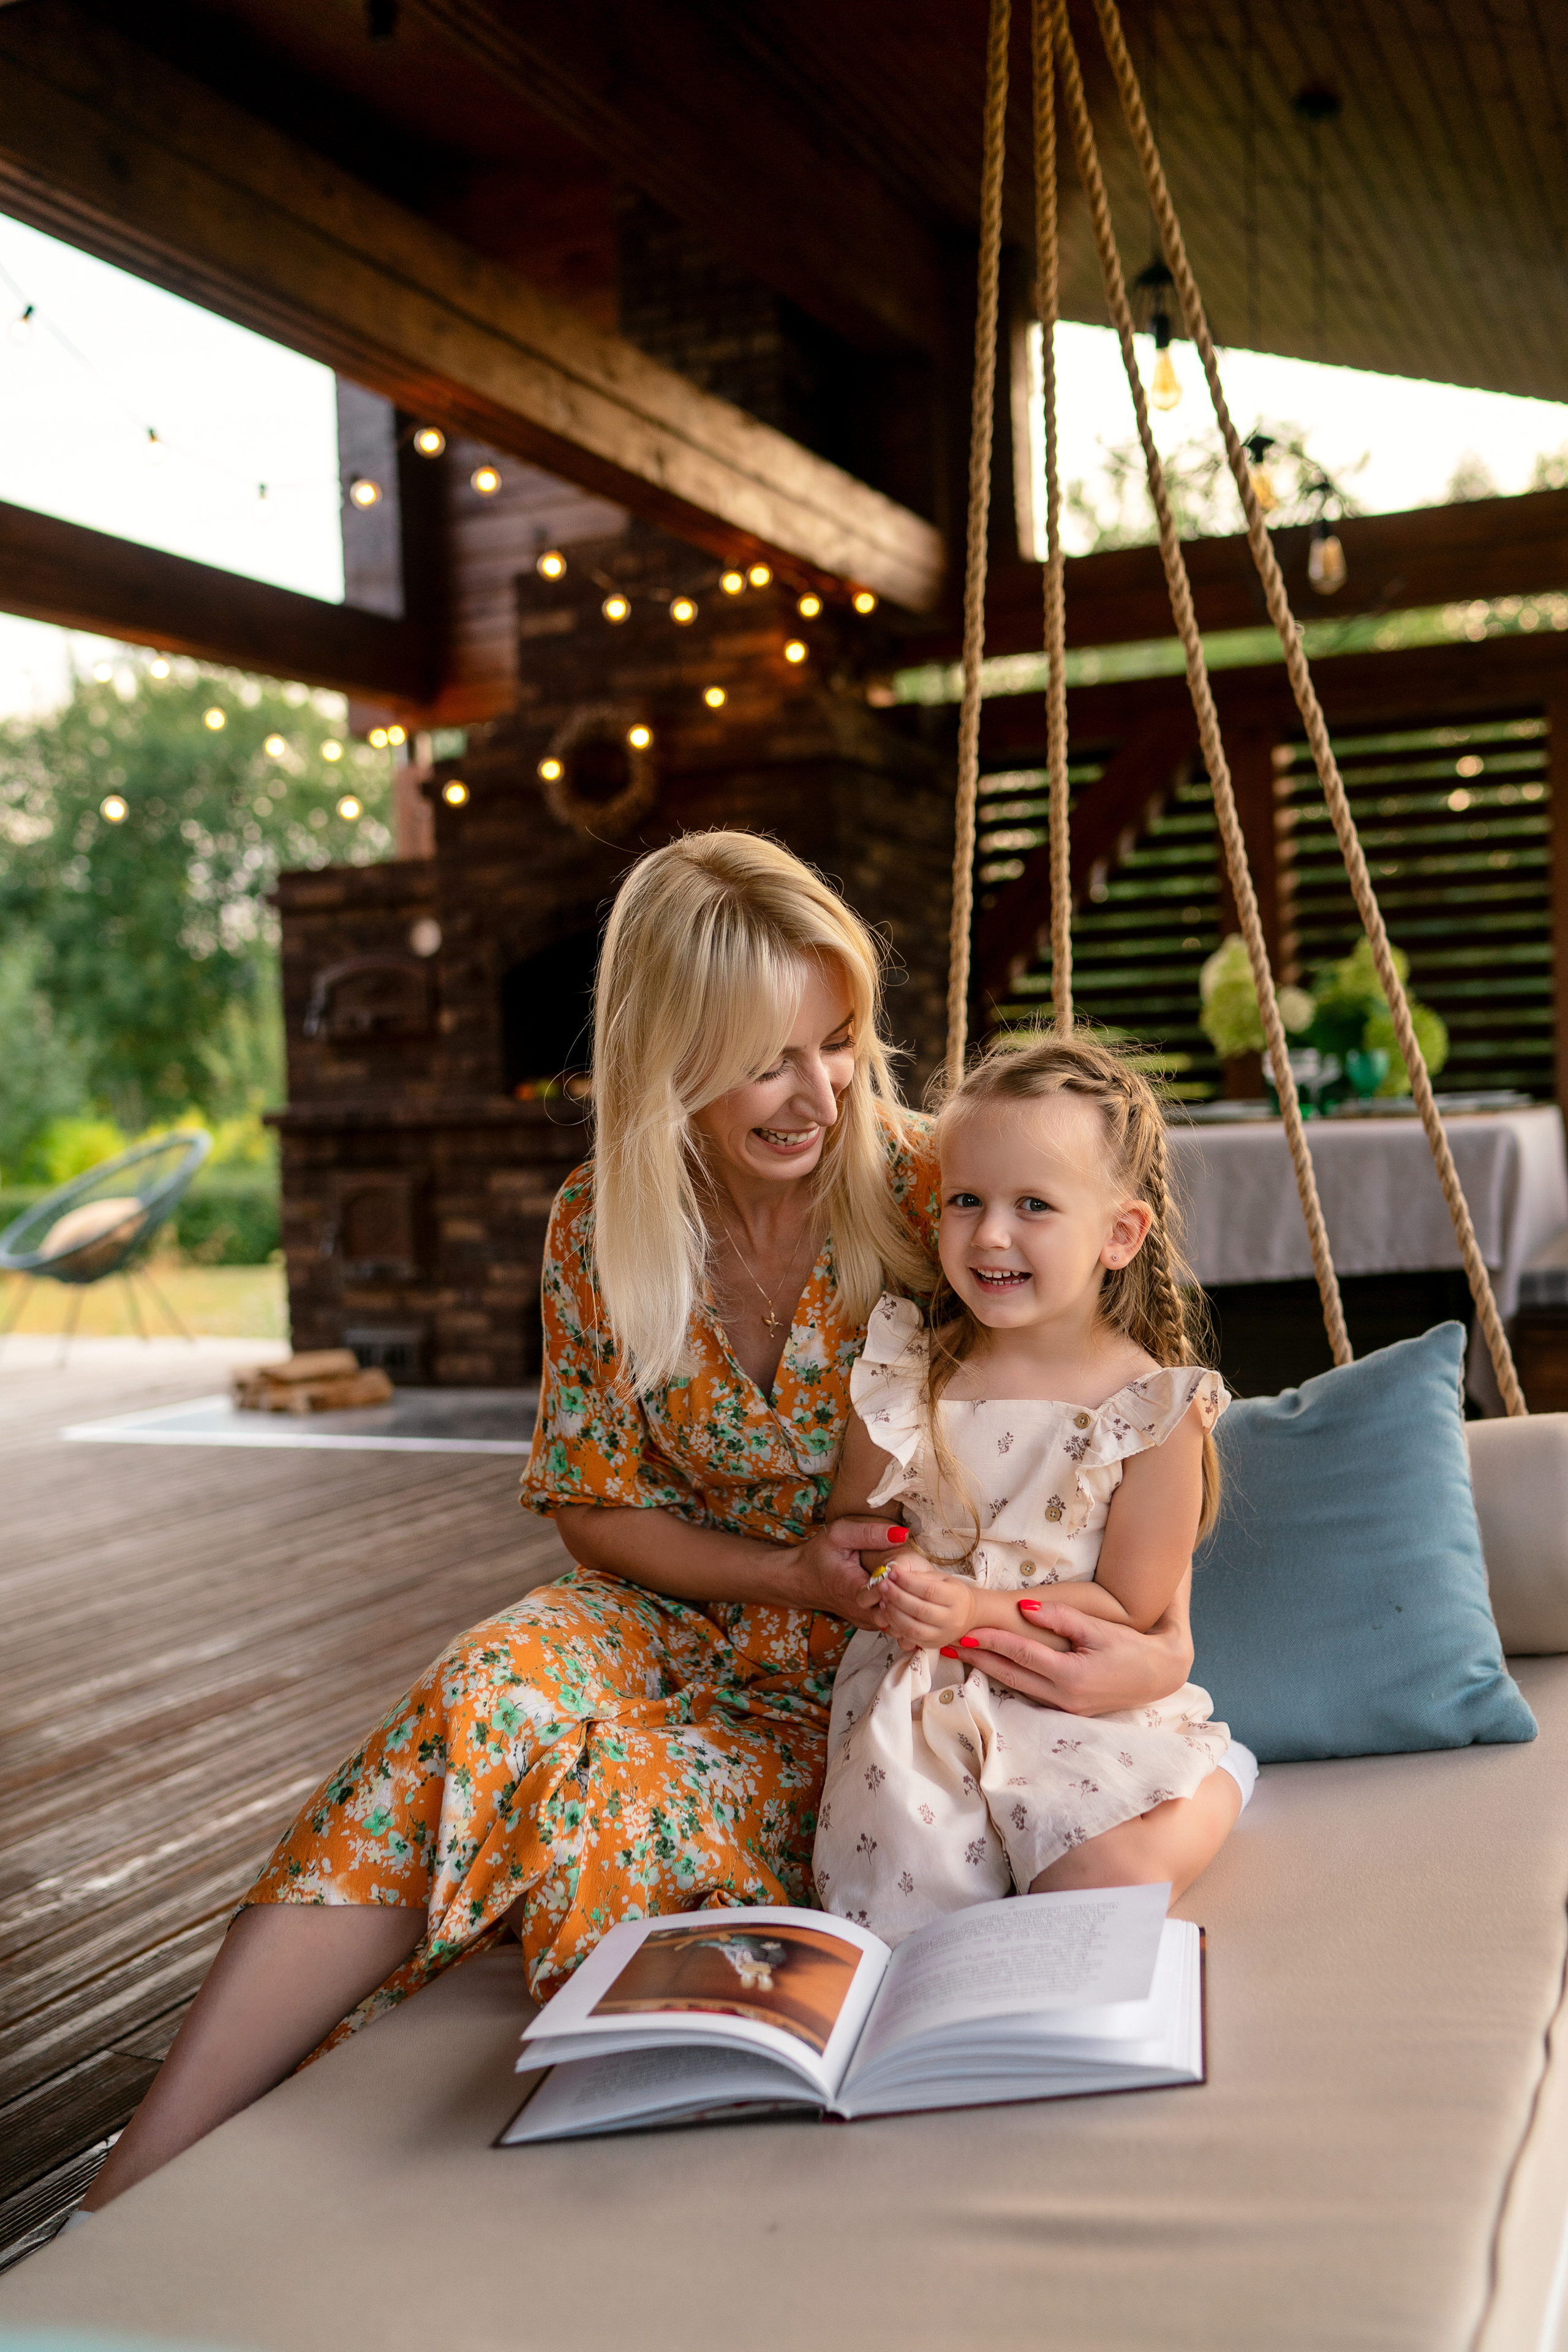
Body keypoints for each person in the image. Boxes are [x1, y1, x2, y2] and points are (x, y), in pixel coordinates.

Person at [85, 834, 1204, 2209]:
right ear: (665, 1052)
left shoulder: (940, 1190)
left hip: (860, 1671)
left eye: (837, 1041)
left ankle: (580, 2201)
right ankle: (132, 2175)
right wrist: (780, 1568)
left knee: (614, 1798)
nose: (817, 1093)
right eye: (761, 1058)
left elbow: (1108, 1399)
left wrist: (1150, 1638)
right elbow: (594, 1514)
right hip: (675, 1606)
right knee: (476, 1694)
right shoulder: (597, 1223)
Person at [814, 1032, 1257, 1945]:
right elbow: (854, 1524)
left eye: (1035, 1205)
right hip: (922, 1702)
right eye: (966, 1201)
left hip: (1066, 1692)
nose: (991, 1235)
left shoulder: (1150, 1410)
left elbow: (1131, 1604)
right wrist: (883, 1452)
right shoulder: (911, 1373)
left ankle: (1220, 1783)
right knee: (911, 1915)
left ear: (1119, 1235)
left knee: (1100, 1883)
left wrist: (973, 1606)